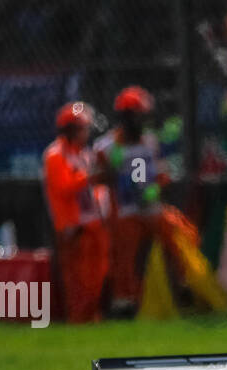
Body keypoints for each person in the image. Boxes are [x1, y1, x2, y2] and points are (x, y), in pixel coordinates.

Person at [93, 86, 169, 315]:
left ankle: (179, 290)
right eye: (138, 116)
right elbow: (96, 177)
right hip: (124, 210)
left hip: (151, 207)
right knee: (124, 257)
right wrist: (114, 175)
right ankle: (124, 302)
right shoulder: (106, 146)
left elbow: (161, 172)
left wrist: (154, 189)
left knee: (174, 238)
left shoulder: (150, 141)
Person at [42, 102, 109, 322]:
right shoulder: (55, 155)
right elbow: (63, 187)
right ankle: (78, 318)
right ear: (70, 129)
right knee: (77, 278)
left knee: (96, 274)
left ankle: (92, 315)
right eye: (83, 129)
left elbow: (95, 188)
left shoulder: (85, 154)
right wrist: (89, 176)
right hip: (72, 225)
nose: (87, 133)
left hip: (93, 222)